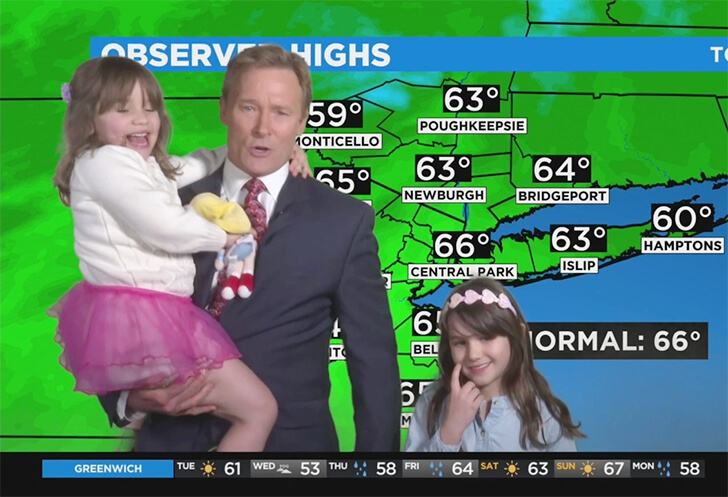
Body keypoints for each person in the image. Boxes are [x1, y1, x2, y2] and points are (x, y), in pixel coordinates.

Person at [99, 44, 402, 452]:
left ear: (302, 121)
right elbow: (111, 308)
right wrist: (126, 398)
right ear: (224, 109)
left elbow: (373, 361)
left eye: (280, 112)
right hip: (168, 447)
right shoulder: (163, 202)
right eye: (249, 108)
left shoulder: (343, 223)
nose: (263, 128)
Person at [50, 56, 311, 451]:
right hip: (144, 319)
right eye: (123, 110)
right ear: (89, 120)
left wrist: (275, 150)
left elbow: (193, 164)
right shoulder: (105, 164)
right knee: (258, 409)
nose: (141, 120)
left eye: (150, 108)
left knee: (241, 410)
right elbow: (165, 227)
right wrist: (223, 235)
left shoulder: (138, 165)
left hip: (148, 315)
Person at [405, 277, 585, 452]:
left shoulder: (545, 415)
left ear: (517, 335)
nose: (473, 354)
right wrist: (450, 432)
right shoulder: (431, 402)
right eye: (460, 342)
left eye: (486, 337)